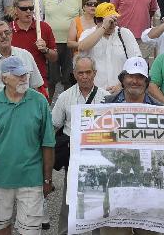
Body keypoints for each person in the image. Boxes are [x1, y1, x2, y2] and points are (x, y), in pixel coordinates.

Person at [0, 55, 55, 235]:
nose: (24, 78)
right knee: (1, 227)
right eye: (18, 75)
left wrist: (47, 179)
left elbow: (48, 143)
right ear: (4, 78)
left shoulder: (39, 101)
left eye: (25, 74)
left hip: (31, 178)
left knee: (31, 231)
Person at [50, 55, 101, 235]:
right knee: (69, 201)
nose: (85, 76)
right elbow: (53, 125)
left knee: (98, 202)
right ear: (74, 74)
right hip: (74, 158)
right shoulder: (65, 97)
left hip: (98, 158)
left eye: (88, 72)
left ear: (95, 73)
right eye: (81, 73)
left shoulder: (104, 98)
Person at [76, 2, 140, 93]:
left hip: (121, 91)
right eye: (110, 21)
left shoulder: (125, 33)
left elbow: (136, 62)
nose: (113, 24)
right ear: (97, 21)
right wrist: (103, 27)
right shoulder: (88, 33)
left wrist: (122, 84)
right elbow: (82, 47)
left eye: (115, 19)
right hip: (95, 92)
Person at [0, 20, 45, 100]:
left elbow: (37, 86)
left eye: (7, 32)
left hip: (23, 106)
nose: (4, 36)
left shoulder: (25, 55)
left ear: (11, 34)